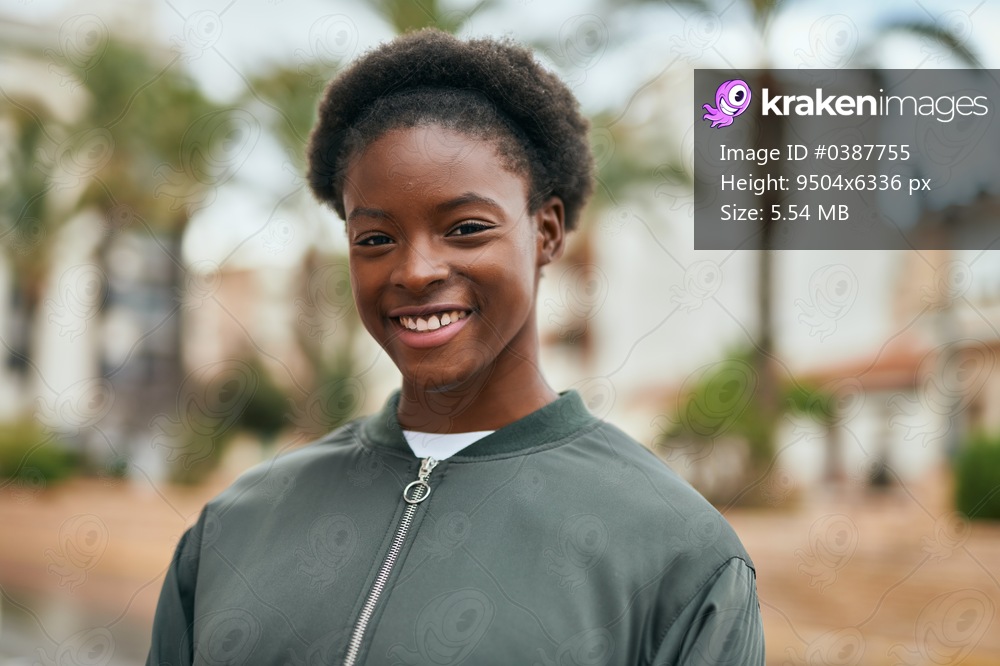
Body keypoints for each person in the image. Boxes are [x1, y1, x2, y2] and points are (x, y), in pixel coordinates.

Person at [146, 29, 765, 665]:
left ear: (546, 232)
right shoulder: (231, 531)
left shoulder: (680, 556)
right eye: (376, 238)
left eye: (466, 229)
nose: (415, 271)